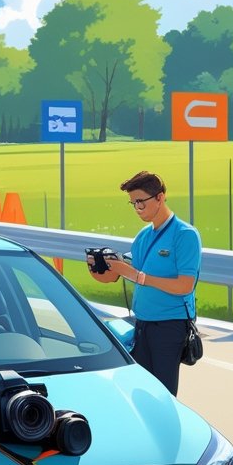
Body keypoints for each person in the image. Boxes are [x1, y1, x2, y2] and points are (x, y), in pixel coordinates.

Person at [89, 170, 202, 396]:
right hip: (142, 324)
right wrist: (99, 268)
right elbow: (117, 276)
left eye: (141, 201)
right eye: (133, 203)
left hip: (170, 326)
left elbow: (185, 286)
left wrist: (139, 277)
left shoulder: (185, 235)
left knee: (163, 394)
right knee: (141, 391)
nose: (137, 208)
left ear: (160, 197)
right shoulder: (143, 236)